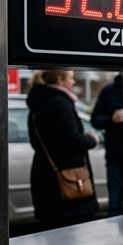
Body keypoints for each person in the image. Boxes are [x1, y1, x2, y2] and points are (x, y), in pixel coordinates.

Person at [27, 69, 101, 230]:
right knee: (71, 237)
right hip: (65, 183)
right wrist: (91, 139)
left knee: (53, 235)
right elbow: (71, 141)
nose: (74, 82)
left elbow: (39, 141)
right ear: (60, 80)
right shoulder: (59, 103)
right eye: (71, 78)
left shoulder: (38, 103)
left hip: (45, 175)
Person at [91, 73, 123, 217]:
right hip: (116, 156)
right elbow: (95, 120)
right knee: (115, 203)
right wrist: (112, 119)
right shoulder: (108, 91)